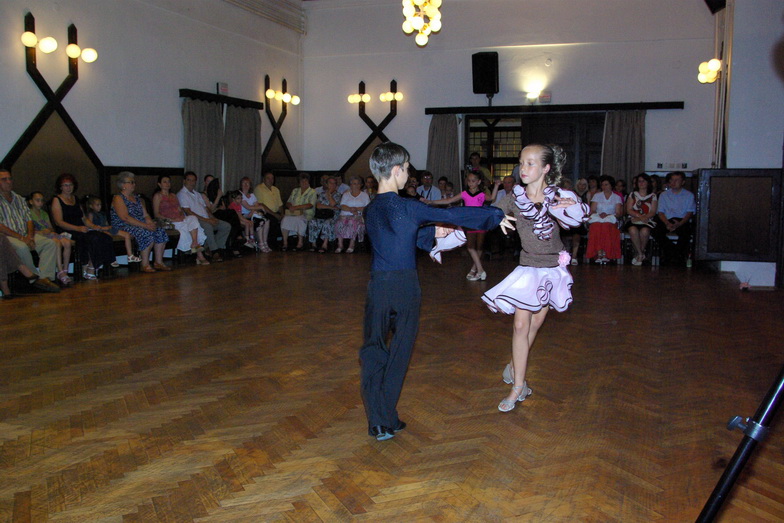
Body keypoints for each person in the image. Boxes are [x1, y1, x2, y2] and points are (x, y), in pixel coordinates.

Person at [359, 142, 513, 441]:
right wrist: (494, 216)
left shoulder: (370, 209)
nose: (408, 174)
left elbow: (397, 233)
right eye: (406, 169)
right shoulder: (408, 206)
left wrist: (431, 232)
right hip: (405, 286)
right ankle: (385, 415)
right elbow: (456, 215)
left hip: (378, 286)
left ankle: (379, 420)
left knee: (373, 350)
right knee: (400, 351)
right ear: (396, 170)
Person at [482, 144, 589, 413]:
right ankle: (518, 386)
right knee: (520, 325)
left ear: (545, 168)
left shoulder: (559, 195)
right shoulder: (514, 197)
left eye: (531, 163)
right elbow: (490, 213)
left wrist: (573, 207)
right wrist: (495, 218)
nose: (524, 168)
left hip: (552, 270)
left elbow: (578, 219)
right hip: (528, 268)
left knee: (533, 327)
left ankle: (514, 366)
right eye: (522, 162)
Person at [426, 171, 501, 280]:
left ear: (479, 182)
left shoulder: (481, 194)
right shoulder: (464, 193)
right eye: (469, 181)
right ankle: (480, 270)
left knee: (479, 247)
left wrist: (497, 186)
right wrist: (432, 202)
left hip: (481, 222)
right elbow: (448, 200)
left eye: (473, 181)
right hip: (469, 223)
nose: (470, 183)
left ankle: (474, 269)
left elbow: (492, 198)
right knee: (470, 247)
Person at [0, 169, 59, 292]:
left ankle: (45, 279)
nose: (8, 182)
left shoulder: (19, 199)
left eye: (10, 179)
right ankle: (34, 279)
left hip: (25, 233)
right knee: (22, 247)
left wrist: (30, 236)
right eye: (4, 179)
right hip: (8, 237)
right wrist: (22, 238)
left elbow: (29, 220)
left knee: (50, 243)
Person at [50, 173, 116, 280]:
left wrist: (94, 226)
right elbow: (59, 222)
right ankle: (89, 267)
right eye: (65, 185)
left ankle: (91, 265)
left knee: (105, 237)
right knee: (92, 238)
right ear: (60, 187)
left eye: (70, 185)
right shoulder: (56, 200)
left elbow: (84, 219)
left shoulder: (75, 199)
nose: (68, 188)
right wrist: (77, 228)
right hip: (67, 230)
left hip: (81, 229)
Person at [111, 171, 170, 273]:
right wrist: (145, 226)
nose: (133, 184)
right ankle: (145, 264)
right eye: (131, 182)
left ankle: (158, 262)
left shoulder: (136, 198)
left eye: (134, 182)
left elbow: (145, 214)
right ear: (123, 185)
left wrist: (150, 223)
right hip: (124, 226)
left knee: (160, 231)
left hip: (140, 224)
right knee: (146, 233)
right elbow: (125, 218)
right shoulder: (118, 198)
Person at [151, 175, 209, 265]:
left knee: (193, 218)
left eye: (168, 182)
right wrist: (171, 219)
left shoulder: (173, 195)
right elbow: (156, 214)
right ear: (159, 184)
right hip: (168, 221)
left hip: (180, 219)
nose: (167, 184)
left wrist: (181, 216)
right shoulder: (158, 196)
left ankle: (194, 243)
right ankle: (199, 255)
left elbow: (179, 209)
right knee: (187, 230)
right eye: (164, 182)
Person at [178, 171, 231, 262]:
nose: (191, 182)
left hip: (206, 218)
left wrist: (212, 218)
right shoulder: (182, 194)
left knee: (226, 226)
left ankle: (214, 248)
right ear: (184, 181)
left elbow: (206, 208)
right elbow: (188, 211)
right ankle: (214, 251)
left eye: (193, 180)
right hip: (195, 220)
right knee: (208, 226)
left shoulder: (197, 194)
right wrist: (206, 220)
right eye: (189, 180)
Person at [28, 191, 74, 285]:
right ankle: (60, 271)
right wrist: (41, 232)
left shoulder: (44, 213)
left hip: (48, 234)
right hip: (39, 235)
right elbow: (28, 230)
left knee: (67, 242)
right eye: (37, 200)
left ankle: (65, 270)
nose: (40, 203)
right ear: (31, 201)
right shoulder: (28, 213)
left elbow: (51, 227)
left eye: (42, 200)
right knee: (56, 242)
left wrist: (48, 230)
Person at [654, 171, 695, 265]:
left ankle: (676, 255)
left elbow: (689, 212)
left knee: (686, 233)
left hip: (681, 219)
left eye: (677, 180)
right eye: (672, 180)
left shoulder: (689, 195)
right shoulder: (664, 195)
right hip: (666, 219)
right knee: (655, 231)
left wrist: (679, 224)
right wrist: (667, 223)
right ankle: (674, 252)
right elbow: (660, 212)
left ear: (683, 182)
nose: (673, 182)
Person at [85, 195, 131, 268]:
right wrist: (104, 228)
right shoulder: (91, 214)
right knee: (107, 237)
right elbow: (91, 226)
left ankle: (130, 255)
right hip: (99, 231)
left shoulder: (103, 214)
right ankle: (111, 259)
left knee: (126, 234)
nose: (99, 207)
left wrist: (108, 227)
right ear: (91, 206)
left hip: (106, 229)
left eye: (100, 205)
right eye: (97, 205)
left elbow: (106, 223)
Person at [585, 175, 623, 264]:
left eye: (606, 184)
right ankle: (598, 253)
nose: (604, 187)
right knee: (595, 227)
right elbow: (592, 210)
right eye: (602, 185)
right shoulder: (597, 196)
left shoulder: (616, 197)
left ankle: (606, 253)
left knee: (606, 226)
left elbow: (618, 213)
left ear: (611, 185)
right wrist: (600, 214)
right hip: (598, 218)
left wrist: (607, 215)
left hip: (610, 219)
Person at [625, 173, 658, 265]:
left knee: (645, 231)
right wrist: (639, 216)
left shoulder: (653, 196)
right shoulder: (632, 195)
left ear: (648, 183)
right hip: (633, 219)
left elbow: (653, 211)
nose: (641, 183)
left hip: (647, 220)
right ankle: (640, 254)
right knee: (632, 230)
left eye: (643, 181)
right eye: (639, 181)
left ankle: (639, 253)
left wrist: (644, 217)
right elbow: (629, 210)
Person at [280, 172, 316, 251]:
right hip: (293, 213)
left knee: (299, 219)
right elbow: (288, 202)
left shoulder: (312, 191)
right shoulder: (295, 190)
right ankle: (285, 243)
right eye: (302, 181)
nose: (304, 183)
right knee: (285, 219)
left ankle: (300, 242)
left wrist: (296, 207)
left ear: (308, 182)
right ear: (299, 183)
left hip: (306, 213)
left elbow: (310, 205)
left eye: (306, 181)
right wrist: (290, 207)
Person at [335, 175, 370, 253]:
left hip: (358, 216)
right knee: (339, 223)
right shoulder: (346, 194)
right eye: (354, 183)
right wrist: (351, 209)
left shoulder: (365, 195)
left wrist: (356, 209)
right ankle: (340, 245)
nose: (356, 185)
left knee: (353, 222)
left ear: (361, 185)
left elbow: (367, 207)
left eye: (358, 183)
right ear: (350, 185)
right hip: (345, 215)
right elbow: (342, 206)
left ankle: (351, 244)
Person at [309, 175, 341, 253]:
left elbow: (333, 203)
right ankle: (313, 244)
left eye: (334, 183)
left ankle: (325, 244)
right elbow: (318, 206)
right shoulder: (322, 194)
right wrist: (331, 207)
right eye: (330, 183)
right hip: (322, 214)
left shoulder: (338, 195)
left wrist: (329, 195)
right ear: (326, 184)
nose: (332, 185)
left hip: (333, 215)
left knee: (328, 222)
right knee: (312, 221)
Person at [238, 177, 270, 252]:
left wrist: (255, 208)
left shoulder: (252, 195)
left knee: (267, 220)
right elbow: (248, 207)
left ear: (250, 185)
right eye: (244, 183)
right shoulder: (240, 195)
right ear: (241, 185)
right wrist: (259, 207)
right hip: (244, 215)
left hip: (252, 214)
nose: (246, 185)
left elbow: (256, 205)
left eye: (247, 183)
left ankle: (265, 242)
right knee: (260, 222)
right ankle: (260, 243)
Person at [254, 172, 284, 249]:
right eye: (268, 178)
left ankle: (283, 242)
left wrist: (282, 214)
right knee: (273, 220)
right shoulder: (259, 188)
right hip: (264, 212)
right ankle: (271, 244)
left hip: (276, 212)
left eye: (272, 178)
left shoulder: (276, 189)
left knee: (285, 220)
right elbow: (261, 204)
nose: (270, 180)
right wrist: (275, 214)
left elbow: (280, 204)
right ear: (263, 179)